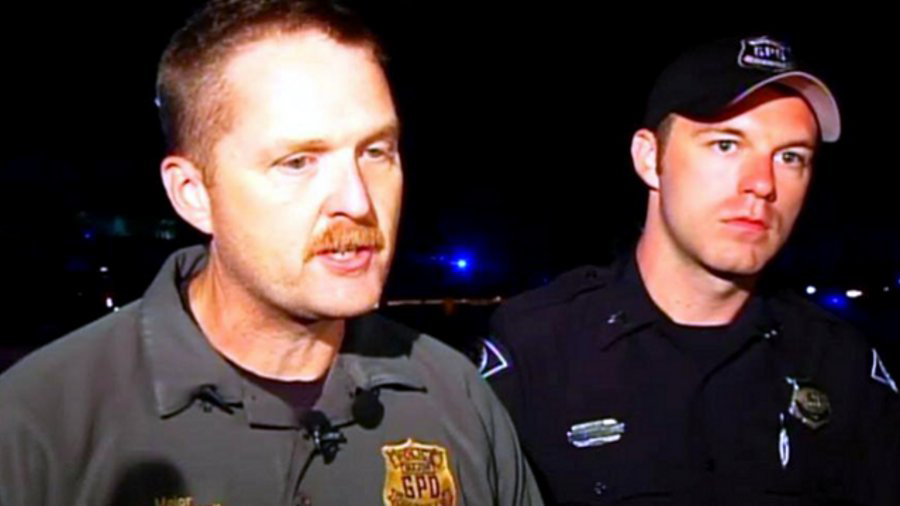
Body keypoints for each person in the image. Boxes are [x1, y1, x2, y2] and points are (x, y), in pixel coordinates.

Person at [0, 1, 542, 505]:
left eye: (376, 151)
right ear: (193, 194)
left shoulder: (458, 398)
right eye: (298, 162)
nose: (357, 202)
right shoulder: (41, 422)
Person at [485, 35, 900, 505]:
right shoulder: (534, 355)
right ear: (649, 159)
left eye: (790, 157)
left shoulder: (841, 367)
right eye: (726, 145)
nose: (762, 184)